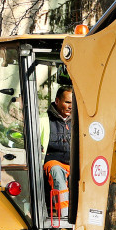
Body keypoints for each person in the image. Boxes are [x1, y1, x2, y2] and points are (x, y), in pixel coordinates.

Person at [43, 86, 74, 220]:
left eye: (73, 103)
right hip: (53, 161)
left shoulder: (78, 121)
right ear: (57, 101)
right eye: (67, 102)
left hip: (73, 163)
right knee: (56, 171)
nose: (70, 106)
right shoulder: (45, 120)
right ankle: (65, 215)